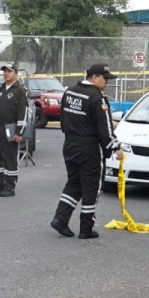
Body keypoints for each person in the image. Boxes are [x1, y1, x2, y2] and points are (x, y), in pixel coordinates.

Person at [51, 63, 122, 239]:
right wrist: (115, 147)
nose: (107, 82)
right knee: (91, 187)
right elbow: (105, 127)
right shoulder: (97, 97)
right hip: (89, 148)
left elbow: (63, 119)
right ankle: (86, 228)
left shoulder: (70, 91)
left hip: (70, 144)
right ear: (95, 77)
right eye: (105, 78)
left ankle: (60, 219)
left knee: (74, 183)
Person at [0, 63, 28, 197]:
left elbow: (23, 113)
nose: (6, 73)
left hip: (11, 128)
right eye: (4, 71)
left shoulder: (20, 91)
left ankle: (9, 187)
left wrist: (19, 132)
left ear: (16, 74)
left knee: (10, 157)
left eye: (9, 71)